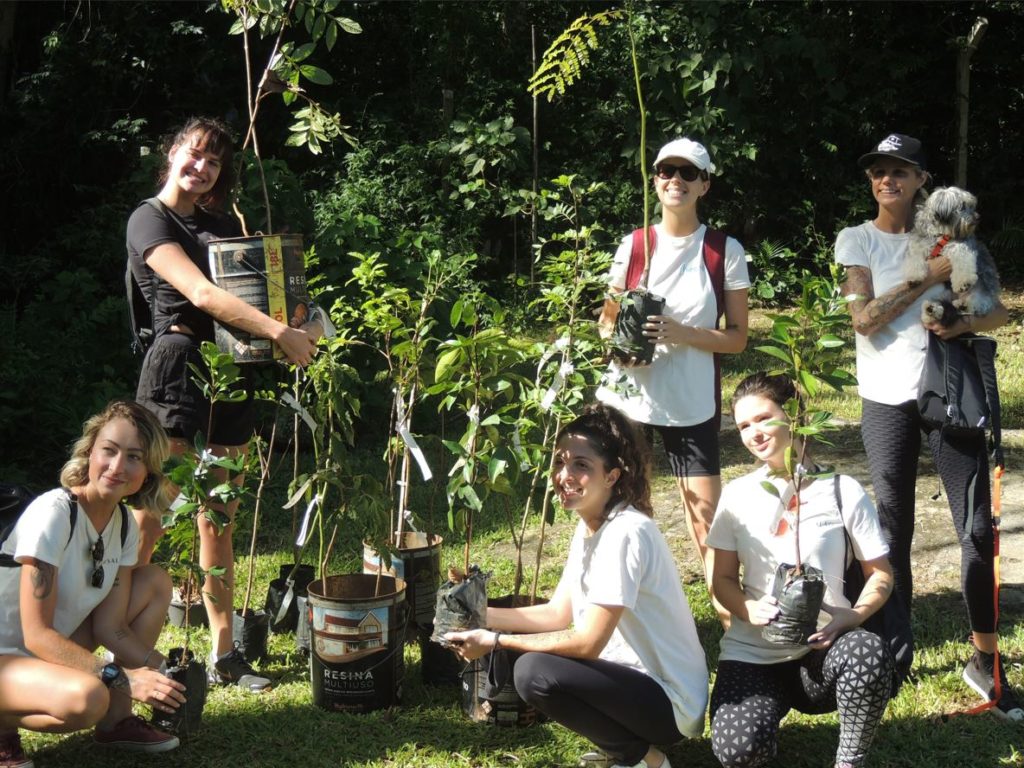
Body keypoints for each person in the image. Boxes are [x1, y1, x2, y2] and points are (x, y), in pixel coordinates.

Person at [126, 116, 318, 693]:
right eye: (195, 154)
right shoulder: (148, 219)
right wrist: (279, 334)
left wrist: (298, 319)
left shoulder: (217, 224)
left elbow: (259, 288)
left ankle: (225, 653)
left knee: (220, 515)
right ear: (172, 153)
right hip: (177, 371)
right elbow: (202, 294)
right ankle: (117, 643)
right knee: (151, 514)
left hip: (229, 371)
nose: (202, 167)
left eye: (214, 162)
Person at [834, 132, 1019, 719]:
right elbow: (864, 320)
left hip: (949, 395)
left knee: (975, 528)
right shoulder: (856, 240)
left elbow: (1000, 308)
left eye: (899, 170)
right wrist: (927, 274)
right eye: (877, 171)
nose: (886, 179)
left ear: (921, 181)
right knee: (892, 529)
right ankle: (897, 651)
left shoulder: (955, 234)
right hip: (885, 400)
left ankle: (984, 659)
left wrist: (961, 326)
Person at [446, 403, 708, 768]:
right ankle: (628, 750)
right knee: (535, 667)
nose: (564, 475)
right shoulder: (590, 526)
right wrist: (475, 615)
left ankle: (645, 759)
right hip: (632, 685)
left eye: (581, 466)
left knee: (533, 672)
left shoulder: (625, 533)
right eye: (559, 462)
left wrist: (494, 641)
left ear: (612, 476)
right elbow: (556, 614)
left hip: (668, 702)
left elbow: (588, 642)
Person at [707, 373, 895, 768]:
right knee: (737, 750)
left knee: (869, 652)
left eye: (763, 418)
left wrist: (854, 615)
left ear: (794, 415)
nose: (754, 433)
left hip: (821, 654)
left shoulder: (842, 489)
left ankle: (849, 761)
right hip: (754, 655)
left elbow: (881, 573)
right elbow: (721, 580)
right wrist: (745, 608)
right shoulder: (737, 497)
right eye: (744, 426)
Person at [596, 137, 749, 596]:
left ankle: (731, 629)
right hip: (627, 397)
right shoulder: (635, 244)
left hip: (691, 402)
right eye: (666, 171)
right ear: (655, 180)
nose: (675, 181)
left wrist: (682, 333)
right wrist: (615, 340)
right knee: (616, 512)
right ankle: (615, 612)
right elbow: (605, 318)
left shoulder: (724, 251)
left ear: (705, 184)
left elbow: (738, 337)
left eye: (687, 173)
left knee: (707, 526)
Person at [0, 401, 186, 768]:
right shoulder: (54, 513)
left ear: (148, 472)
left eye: (134, 457)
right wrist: (123, 679)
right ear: (89, 453)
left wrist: (165, 674)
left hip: (45, 654)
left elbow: (111, 628)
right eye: (110, 451)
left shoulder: (123, 524)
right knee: (89, 698)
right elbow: (37, 635)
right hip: (10, 657)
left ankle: (117, 722)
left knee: (154, 582)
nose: (118, 467)